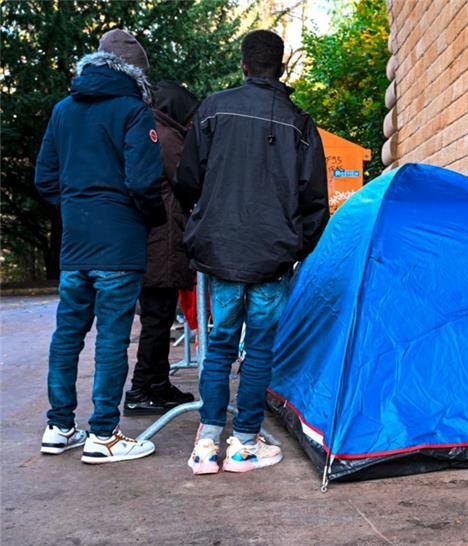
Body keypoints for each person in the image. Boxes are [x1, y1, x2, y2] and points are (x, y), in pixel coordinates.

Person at [175, 29, 329, 475]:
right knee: (259, 349)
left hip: (221, 251)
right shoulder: (299, 122)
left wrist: (207, 221)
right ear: (280, 67)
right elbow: (314, 201)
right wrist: (294, 247)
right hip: (271, 255)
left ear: (243, 64)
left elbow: (186, 179)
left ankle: (206, 443)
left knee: (219, 343)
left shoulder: (212, 109)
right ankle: (243, 443)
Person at [34, 29, 164, 463]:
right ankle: (103, 434)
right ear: (136, 74)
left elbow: (45, 179)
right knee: (112, 337)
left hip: (76, 243)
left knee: (67, 334)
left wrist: (77, 207)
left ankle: (59, 427)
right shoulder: (134, 111)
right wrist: (146, 217)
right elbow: (145, 181)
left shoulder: (62, 110)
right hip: (120, 244)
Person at [124, 80, 199, 415]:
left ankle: (157, 385)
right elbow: (188, 181)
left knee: (160, 316)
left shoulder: (148, 129)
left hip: (154, 239)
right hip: (163, 239)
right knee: (157, 319)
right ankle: (142, 389)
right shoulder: (165, 136)